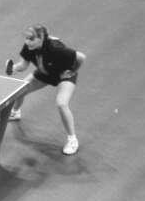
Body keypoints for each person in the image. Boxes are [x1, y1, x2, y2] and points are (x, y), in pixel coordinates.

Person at [5, 25, 86, 155]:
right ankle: (15, 112)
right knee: (20, 89)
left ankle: (72, 140)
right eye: (26, 38)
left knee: (61, 103)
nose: (27, 42)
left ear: (41, 38)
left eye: (31, 39)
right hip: (45, 72)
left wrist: (72, 71)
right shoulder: (29, 47)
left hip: (63, 75)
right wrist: (13, 68)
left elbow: (81, 57)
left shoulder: (56, 48)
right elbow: (23, 65)